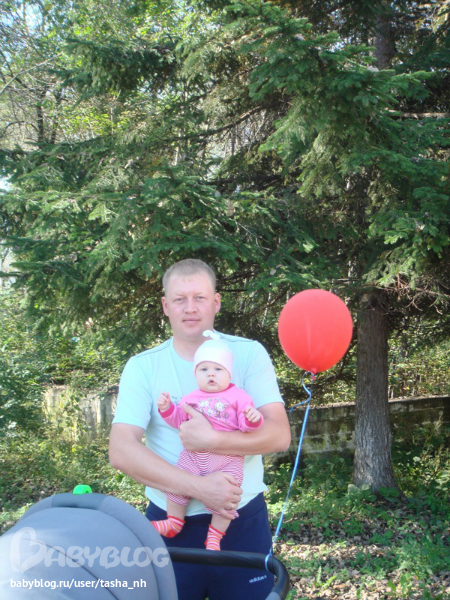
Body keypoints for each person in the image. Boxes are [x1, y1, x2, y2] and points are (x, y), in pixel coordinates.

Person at [109, 258, 291, 600]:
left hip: (241, 522)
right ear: (166, 306)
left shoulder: (249, 354)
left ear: (216, 302)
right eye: (179, 299)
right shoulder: (143, 366)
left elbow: (279, 434)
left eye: (200, 298)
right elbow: (121, 450)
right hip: (169, 526)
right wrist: (201, 488)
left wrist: (214, 440)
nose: (190, 308)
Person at [152, 331, 264, 551]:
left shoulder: (238, 397)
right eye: (203, 369)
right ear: (195, 374)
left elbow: (245, 426)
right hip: (193, 457)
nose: (211, 374)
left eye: (218, 369)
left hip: (227, 460)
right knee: (177, 485)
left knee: (228, 498)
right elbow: (179, 421)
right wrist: (167, 409)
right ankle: (174, 522)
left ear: (229, 374)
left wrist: (253, 419)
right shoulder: (190, 398)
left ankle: (215, 535)